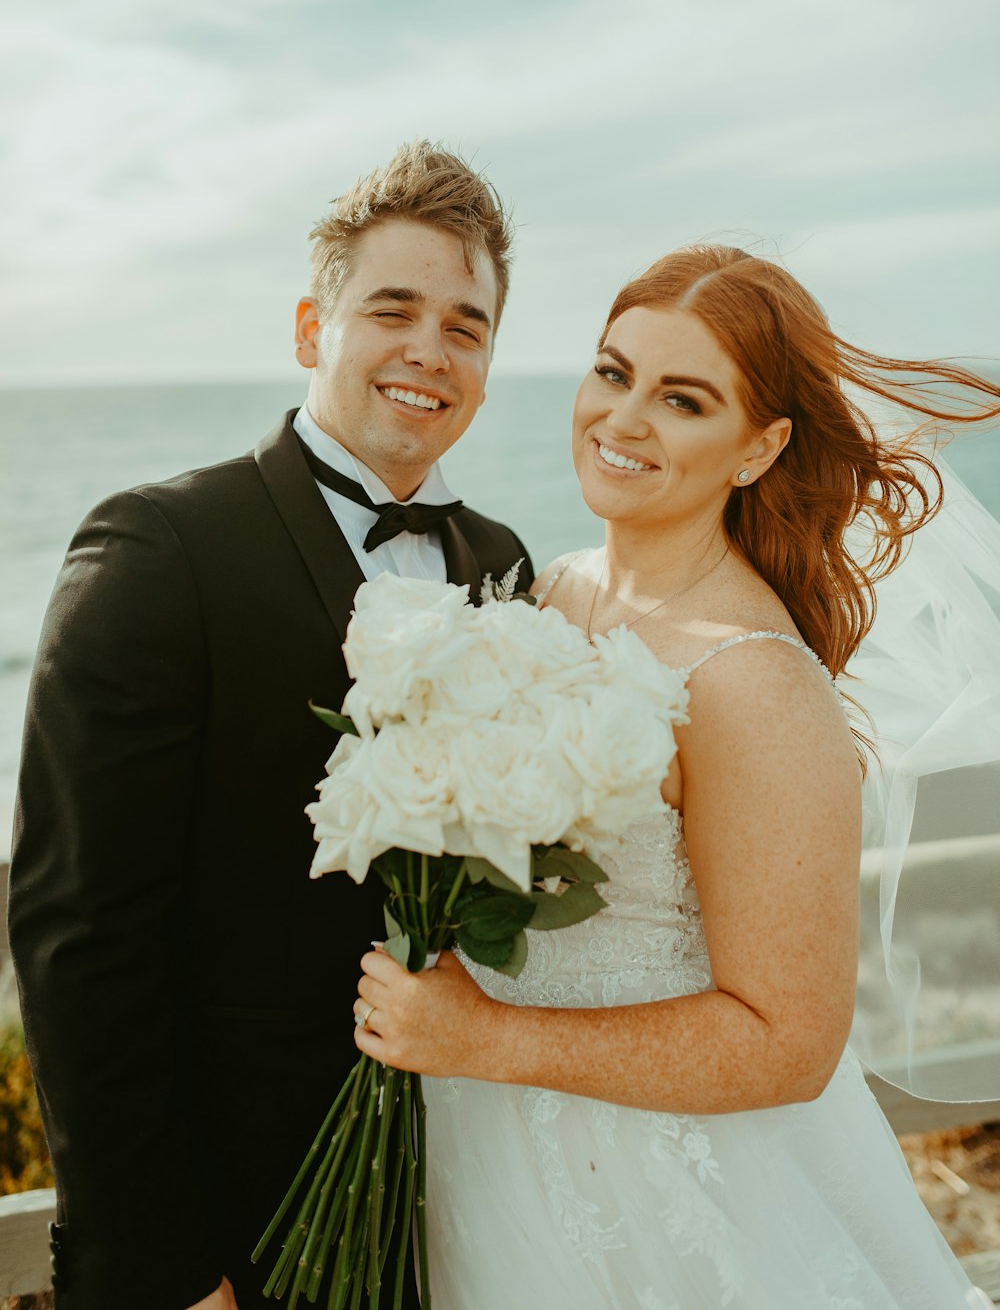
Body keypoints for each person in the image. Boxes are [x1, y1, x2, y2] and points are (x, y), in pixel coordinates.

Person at [352, 244, 999, 1309]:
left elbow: (787, 1041)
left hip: (673, 1216)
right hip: (493, 1159)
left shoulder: (751, 681)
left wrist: (481, 1035)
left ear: (759, 447)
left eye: (683, 400)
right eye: (613, 373)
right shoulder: (548, 592)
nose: (623, 419)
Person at [7, 141, 533, 1310]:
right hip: (219, 1234)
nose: (428, 349)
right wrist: (173, 1268)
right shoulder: (158, 548)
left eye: (466, 324)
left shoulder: (501, 565)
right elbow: (79, 940)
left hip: (450, 1207)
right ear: (312, 327)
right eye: (391, 307)